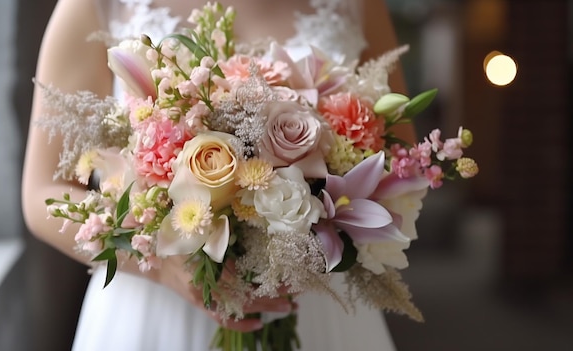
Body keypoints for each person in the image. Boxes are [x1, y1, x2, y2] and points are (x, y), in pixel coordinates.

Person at [22, 0, 415, 349]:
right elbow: (41, 193)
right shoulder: (93, 4)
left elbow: (403, 165)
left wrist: (298, 232)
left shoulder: (359, 4)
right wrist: (164, 267)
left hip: (317, 297)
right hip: (155, 309)